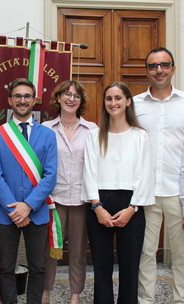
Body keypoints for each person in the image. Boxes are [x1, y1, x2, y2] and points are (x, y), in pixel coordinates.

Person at [81, 81, 154, 304]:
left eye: (118, 98)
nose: (113, 103)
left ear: (128, 101)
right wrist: (97, 206)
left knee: (130, 267)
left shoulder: (140, 136)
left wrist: (132, 209)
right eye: (109, 99)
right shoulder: (95, 136)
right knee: (101, 268)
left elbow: (145, 174)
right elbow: (89, 172)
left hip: (130, 205)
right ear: (104, 103)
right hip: (99, 204)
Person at [0, 78, 58, 304]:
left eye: (27, 96)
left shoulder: (47, 135)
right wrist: (14, 208)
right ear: (10, 100)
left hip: (36, 211)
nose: (22, 100)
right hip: (6, 212)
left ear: (34, 100)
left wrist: (28, 206)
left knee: (38, 266)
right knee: (5, 267)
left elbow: (50, 175)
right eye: (17, 96)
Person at [134, 47, 184, 304]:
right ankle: (145, 300)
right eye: (153, 66)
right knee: (146, 252)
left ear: (173, 69)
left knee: (182, 253)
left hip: (178, 193)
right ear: (147, 71)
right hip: (146, 193)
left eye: (164, 65)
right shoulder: (135, 104)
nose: (159, 70)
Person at [41, 80, 97, 304]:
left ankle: (75, 294)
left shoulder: (92, 129)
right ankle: (46, 291)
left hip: (82, 201)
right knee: (50, 250)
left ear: (81, 101)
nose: (71, 99)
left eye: (76, 96)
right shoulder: (45, 129)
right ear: (58, 98)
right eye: (67, 94)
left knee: (77, 251)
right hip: (54, 200)